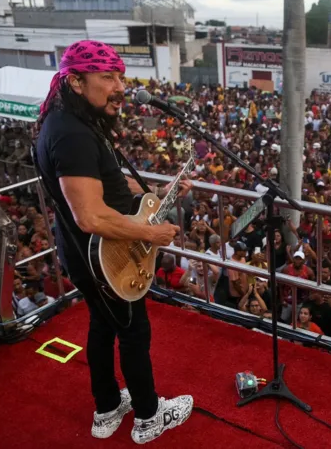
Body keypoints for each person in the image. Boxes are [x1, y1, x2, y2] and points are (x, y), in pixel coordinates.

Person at [35, 40, 193, 444]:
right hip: (106, 256)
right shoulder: (72, 134)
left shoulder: (73, 122)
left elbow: (101, 181)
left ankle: (106, 408)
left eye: (120, 76)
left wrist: (156, 192)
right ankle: (148, 416)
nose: (120, 86)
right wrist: (150, 233)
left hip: (85, 254)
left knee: (103, 327)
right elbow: (90, 215)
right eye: (107, 77)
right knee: (133, 332)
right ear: (74, 81)